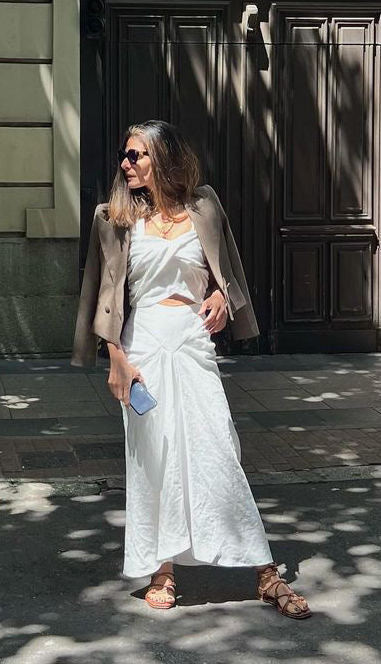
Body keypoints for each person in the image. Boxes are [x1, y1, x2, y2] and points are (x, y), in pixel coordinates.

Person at [72, 119, 310, 618]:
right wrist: (114, 358)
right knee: (152, 458)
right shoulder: (111, 218)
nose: (126, 163)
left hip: (193, 340)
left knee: (217, 447)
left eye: (136, 155)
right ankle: (163, 569)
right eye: (125, 154)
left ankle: (264, 572)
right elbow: (103, 294)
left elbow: (230, 272)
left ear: (164, 158)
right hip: (143, 345)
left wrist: (224, 297)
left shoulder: (204, 206)